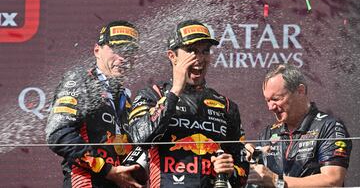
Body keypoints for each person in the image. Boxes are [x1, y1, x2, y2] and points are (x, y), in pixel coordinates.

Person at [128, 19, 249, 187]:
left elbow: (243, 171)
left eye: (205, 51)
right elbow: (139, 138)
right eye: (191, 51)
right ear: (172, 56)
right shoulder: (152, 95)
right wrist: (175, 91)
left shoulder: (226, 106)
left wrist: (231, 170)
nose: (200, 58)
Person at [45, 20, 145, 188]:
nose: (123, 57)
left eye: (130, 51)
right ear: (97, 50)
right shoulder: (81, 80)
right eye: (117, 49)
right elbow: (58, 133)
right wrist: (106, 170)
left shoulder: (123, 97)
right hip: (86, 183)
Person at [245, 63, 352, 187]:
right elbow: (255, 177)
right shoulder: (268, 133)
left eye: (276, 99)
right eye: (267, 100)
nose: (270, 107)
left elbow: (333, 181)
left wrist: (276, 181)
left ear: (300, 91)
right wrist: (248, 155)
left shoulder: (329, 126)